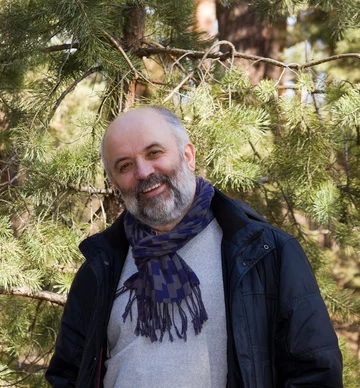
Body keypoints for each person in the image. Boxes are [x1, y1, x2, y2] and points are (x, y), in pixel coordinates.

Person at [45, 106, 343, 388]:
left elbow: (314, 371)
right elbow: (67, 375)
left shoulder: (265, 253)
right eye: (125, 165)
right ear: (114, 182)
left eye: (154, 152)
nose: (144, 172)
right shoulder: (101, 267)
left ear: (188, 155)